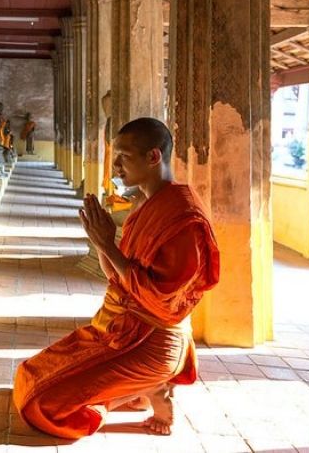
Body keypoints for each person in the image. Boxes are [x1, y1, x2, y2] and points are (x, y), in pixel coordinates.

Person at [13, 117, 220, 439]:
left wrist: (109, 244)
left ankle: (151, 386)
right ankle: (136, 391)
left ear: (153, 157)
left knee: (42, 405)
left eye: (123, 156)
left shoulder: (184, 219)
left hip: (152, 340)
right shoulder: (146, 204)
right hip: (119, 327)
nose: (115, 166)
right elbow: (118, 276)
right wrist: (100, 243)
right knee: (30, 375)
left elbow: (164, 303)